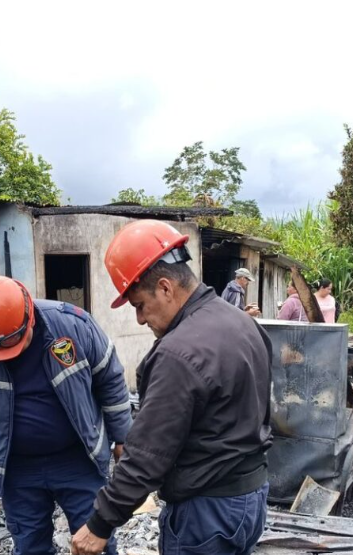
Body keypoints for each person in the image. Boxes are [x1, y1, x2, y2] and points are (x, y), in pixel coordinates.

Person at [71, 220, 272, 555]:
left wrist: (100, 524)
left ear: (165, 288)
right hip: (250, 501)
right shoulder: (243, 323)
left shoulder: (178, 354)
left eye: (139, 305)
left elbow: (148, 455)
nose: (139, 319)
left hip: (206, 512)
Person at [0, 276, 131, 555]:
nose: (4, 356)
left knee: (96, 543)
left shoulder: (72, 327)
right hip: (16, 469)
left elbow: (111, 381)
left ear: (29, 318)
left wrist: (123, 438)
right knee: (30, 546)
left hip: (78, 459)